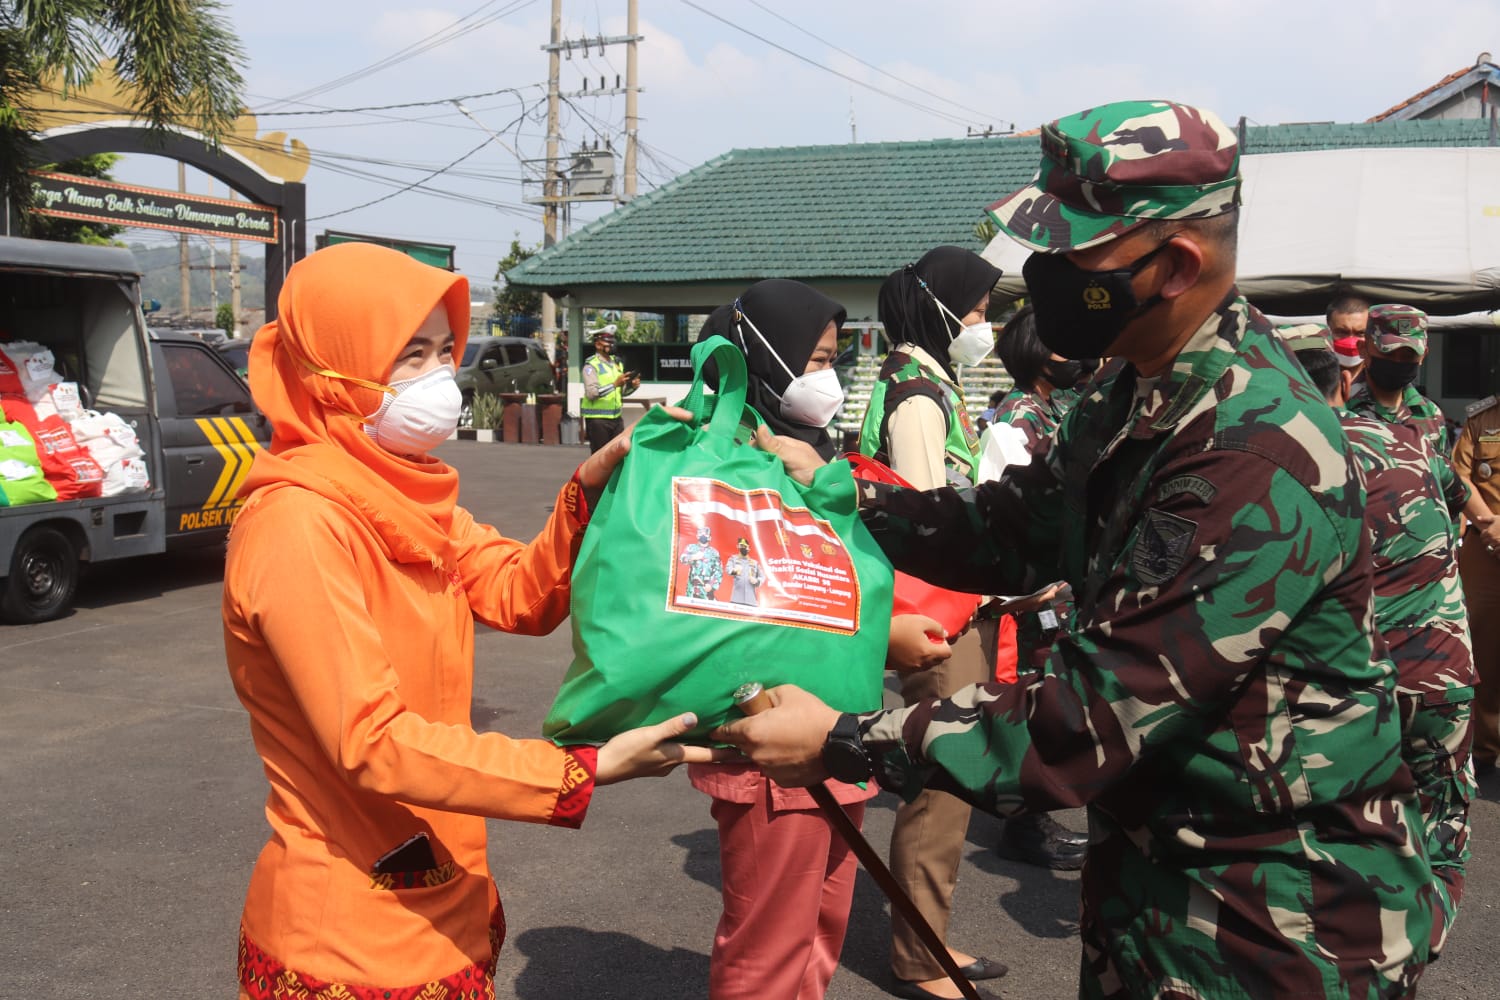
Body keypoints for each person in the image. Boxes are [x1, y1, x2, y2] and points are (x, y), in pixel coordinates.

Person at [717, 100, 1437, 999]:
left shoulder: (1252, 450)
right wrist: (831, 491)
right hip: (1159, 885)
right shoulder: (1136, 391)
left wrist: (844, 740)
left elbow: (1090, 718)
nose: (1043, 279)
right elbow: (1014, 528)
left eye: (1071, 258)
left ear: (1176, 264)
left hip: (1273, 923)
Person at [221, 243, 725, 999]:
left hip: (446, 900)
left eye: (441, 352)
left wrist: (588, 484)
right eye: (407, 357)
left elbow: (520, 593)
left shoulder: (407, 499)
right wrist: (579, 772)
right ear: (330, 375)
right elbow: (372, 742)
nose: (437, 380)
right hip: (346, 944)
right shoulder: (299, 524)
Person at [687, 279, 961, 1000]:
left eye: (832, 358)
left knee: (820, 928)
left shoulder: (800, 450)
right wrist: (878, 639)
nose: (827, 379)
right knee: (770, 949)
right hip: (775, 734)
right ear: (766, 358)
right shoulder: (722, 462)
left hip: (837, 723)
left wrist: (883, 635)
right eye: (813, 360)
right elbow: (739, 602)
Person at [859, 246, 1009, 1000]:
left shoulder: (915, 381)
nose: (985, 321)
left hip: (939, 609)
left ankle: (932, 938)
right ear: (941, 306)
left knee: (943, 780)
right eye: (978, 307)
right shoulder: (919, 396)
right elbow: (927, 516)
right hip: (940, 615)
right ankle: (922, 959)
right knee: (940, 781)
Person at [1294, 335, 1475, 956]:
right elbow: (1455, 502)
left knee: (1358, 817)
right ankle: (1423, 936)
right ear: (1346, 379)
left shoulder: (1289, 459)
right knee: (1442, 817)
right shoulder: (1411, 439)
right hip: (1440, 673)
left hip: (1357, 677)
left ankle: (1370, 942)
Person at [973, 304, 1091, 872]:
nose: (1078, 356)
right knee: (1032, 696)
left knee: (1055, 693)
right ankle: (1023, 825)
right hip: (1037, 593)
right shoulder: (1019, 414)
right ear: (1036, 354)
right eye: (1064, 346)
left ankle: (1036, 812)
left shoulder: (1059, 405)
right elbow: (1008, 503)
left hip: (1064, 587)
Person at [1452, 392, 1500, 777]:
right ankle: (1484, 750)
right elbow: (1459, 474)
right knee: (1483, 651)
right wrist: (1488, 524)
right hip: (1488, 549)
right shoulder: (1481, 419)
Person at [1347, 304, 1452, 458]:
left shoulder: (1431, 415)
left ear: (1423, 356)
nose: (1398, 361)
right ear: (1363, 348)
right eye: (1388, 353)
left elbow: (1444, 478)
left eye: (1408, 355)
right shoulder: (1341, 406)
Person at [580, 324, 639, 453]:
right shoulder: (591, 365)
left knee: (618, 456)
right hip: (598, 420)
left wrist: (632, 387)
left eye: (613, 341)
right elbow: (591, 393)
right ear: (597, 345)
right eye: (608, 342)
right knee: (600, 457)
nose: (612, 345)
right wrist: (614, 384)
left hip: (616, 418)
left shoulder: (617, 363)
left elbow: (620, 392)